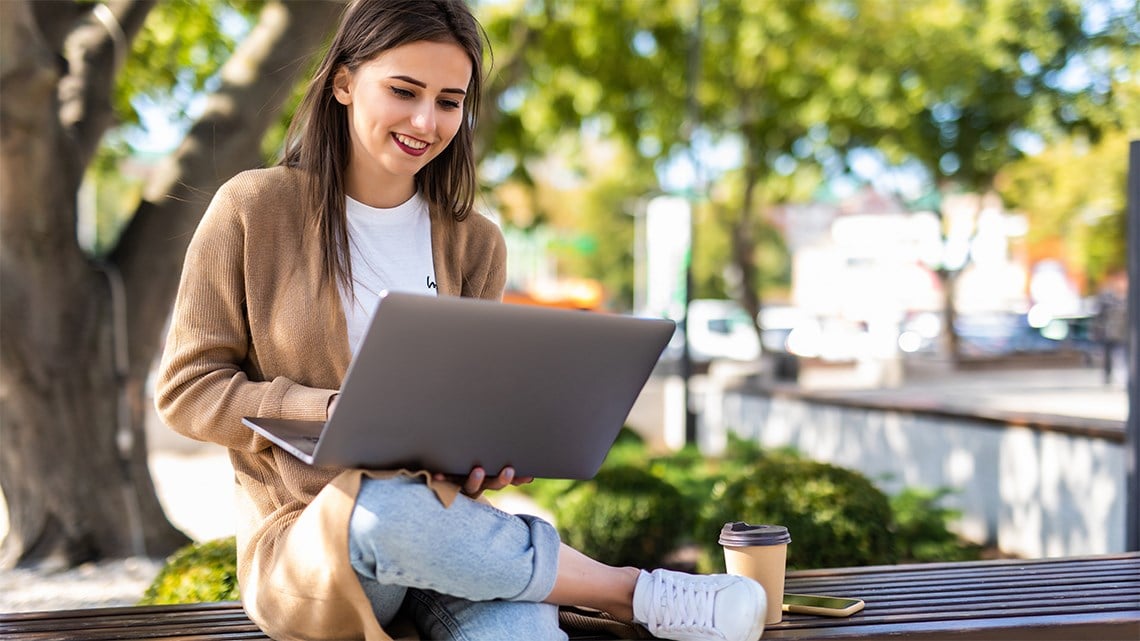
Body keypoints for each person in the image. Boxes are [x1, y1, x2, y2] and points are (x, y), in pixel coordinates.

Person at [155, 1, 766, 641]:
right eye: (404, 90)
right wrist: (328, 410)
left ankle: (605, 592)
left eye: (450, 101)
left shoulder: (475, 242)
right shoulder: (253, 209)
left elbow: (466, 403)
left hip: (449, 536)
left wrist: (491, 451)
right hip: (318, 544)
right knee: (381, 512)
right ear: (342, 82)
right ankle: (630, 592)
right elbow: (186, 390)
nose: (427, 120)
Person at [1094, 270, 1129, 386]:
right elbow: (1100, 313)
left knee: (1123, 354)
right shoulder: (1107, 295)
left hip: (1124, 331)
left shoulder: (1129, 295)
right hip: (1110, 330)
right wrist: (1099, 329)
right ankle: (1109, 376)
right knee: (1110, 354)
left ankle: (1124, 376)